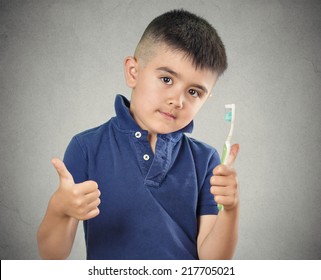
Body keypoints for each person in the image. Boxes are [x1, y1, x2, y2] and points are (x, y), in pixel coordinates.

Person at [37, 9, 240, 260]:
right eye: (166, 79)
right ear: (133, 72)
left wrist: (230, 209)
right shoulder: (86, 148)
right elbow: (51, 255)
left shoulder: (206, 159)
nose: (177, 100)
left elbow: (213, 262)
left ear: (206, 98)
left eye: (194, 92)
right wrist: (60, 208)